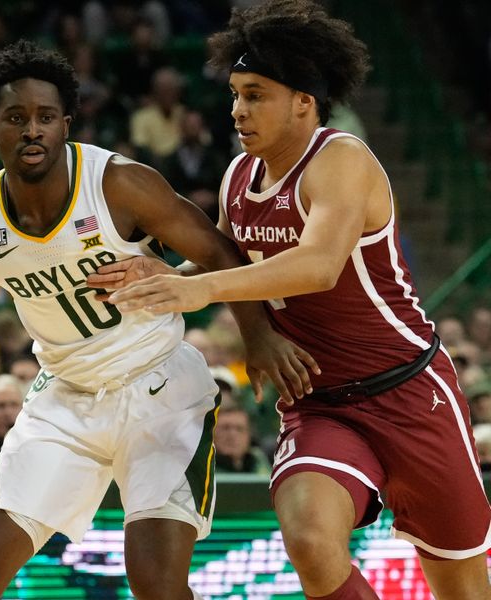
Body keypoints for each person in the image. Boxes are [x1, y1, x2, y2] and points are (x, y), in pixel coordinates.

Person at [0, 40, 315, 600]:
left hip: (160, 388)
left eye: (47, 117)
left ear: (66, 124)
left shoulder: (119, 183)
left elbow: (221, 252)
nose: (33, 130)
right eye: (16, 118)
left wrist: (258, 337)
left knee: (156, 582)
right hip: (65, 398)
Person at [97, 2, 491, 598]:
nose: (237, 110)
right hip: (319, 404)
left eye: (255, 95)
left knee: (461, 585)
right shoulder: (237, 178)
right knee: (308, 538)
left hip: (409, 390)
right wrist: (157, 278)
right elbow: (227, 263)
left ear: (303, 100)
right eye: (234, 94)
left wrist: (196, 288)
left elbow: (317, 265)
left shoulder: (343, 160)